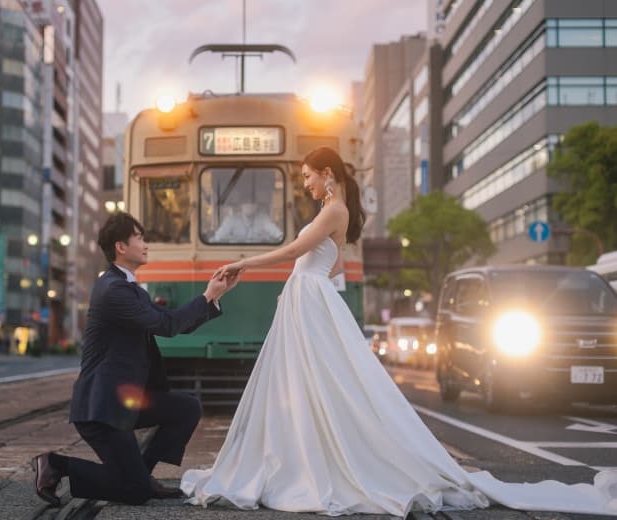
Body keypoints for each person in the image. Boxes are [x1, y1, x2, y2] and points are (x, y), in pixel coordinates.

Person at [180, 146, 617, 516]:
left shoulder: (333, 209)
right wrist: (300, 280)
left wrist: (244, 263)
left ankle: (307, 460)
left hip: (308, 301)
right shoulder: (335, 210)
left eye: (309, 177)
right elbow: (332, 264)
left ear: (327, 174)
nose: (307, 184)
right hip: (308, 299)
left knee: (313, 381)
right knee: (319, 382)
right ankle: (314, 456)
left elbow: (298, 249)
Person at [31, 212, 238, 507]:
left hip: (123, 402)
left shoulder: (127, 287)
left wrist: (215, 297)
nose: (145, 243)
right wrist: (206, 296)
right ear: (121, 246)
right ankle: (56, 465)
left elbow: (168, 321)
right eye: (139, 237)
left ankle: (142, 474)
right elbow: (167, 326)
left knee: (186, 408)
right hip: (101, 410)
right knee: (133, 491)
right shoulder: (114, 290)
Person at [212, 202, 283, 243]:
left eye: (252, 203)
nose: (249, 206)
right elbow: (219, 237)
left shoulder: (263, 219)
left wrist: (280, 237)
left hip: (258, 253)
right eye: (246, 203)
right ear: (241, 205)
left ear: (256, 206)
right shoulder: (231, 220)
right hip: (236, 252)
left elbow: (276, 232)